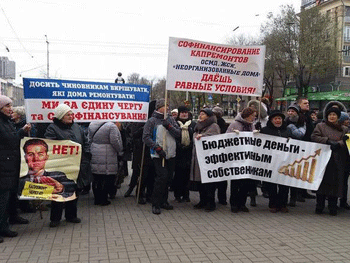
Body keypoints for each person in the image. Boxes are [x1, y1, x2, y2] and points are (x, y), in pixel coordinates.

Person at [44, 104, 88, 227]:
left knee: (74, 190)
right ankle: (55, 218)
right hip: (60, 166)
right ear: (60, 116)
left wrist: (87, 155)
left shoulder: (76, 127)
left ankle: (71, 215)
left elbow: (85, 141)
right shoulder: (52, 128)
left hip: (76, 165)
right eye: (68, 114)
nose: (71, 116)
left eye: (72, 114)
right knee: (58, 191)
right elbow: (50, 145)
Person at [0, 95, 31, 243]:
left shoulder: (7, 122)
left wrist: (22, 132)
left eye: (11, 106)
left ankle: (10, 219)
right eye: (7, 106)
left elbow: (12, 138)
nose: (10, 109)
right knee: (2, 199)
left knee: (10, 195)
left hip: (10, 165)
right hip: (3, 166)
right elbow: (9, 140)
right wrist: (20, 132)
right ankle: (2, 227)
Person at [142, 98, 181, 215]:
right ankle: (156, 203)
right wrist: (157, 148)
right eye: (165, 106)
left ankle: (164, 201)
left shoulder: (171, 120)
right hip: (158, 155)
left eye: (168, 106)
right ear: (159, 107)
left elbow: (178, 133)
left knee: (168, 178)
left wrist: (169, 126)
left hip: (171, 154)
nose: (167, 108)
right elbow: (146, 137)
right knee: (161, 177)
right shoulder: (152, 121)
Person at [311, 106, 350, 216]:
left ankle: (333, 206)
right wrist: (327, 141)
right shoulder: (320, 126)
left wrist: (339, 144)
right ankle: (320, 205)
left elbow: (346, 140)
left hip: (338, 159)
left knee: (336, 183)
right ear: (326, 116)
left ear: (338, 117)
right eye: (330, 115)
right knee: (321, 183)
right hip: (323, 158)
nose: (332, 117)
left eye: (334, 115)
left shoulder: (344, 129)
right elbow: (314, 136)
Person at [226, 107, 257, 213]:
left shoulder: (251, 125)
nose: (254, 117)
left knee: (246, 183)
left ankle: (242, 203)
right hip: (236, 158)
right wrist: (233, 135)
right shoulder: (235, 124)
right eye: (253, 115)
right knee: (236, 182)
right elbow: (226, 138)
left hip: (248, 159)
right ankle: (234, 204)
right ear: (247, 115)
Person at [190, 108, 220, 212]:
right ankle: (202, 200)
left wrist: (202, 136)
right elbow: (194, 135)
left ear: (208, 116)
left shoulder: (214, 126)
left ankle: (210, 203)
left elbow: (214, 138)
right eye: (200, 114)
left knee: (209, 183)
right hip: (198, 158)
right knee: (200, 182)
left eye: (203, 114)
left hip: (209, 159)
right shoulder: (198, 125)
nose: (200, 116)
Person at [260, 110, 290, 213]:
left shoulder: (287, 130)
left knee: (284, 185)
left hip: (284, 162)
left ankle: (283, 204)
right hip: (271, 162)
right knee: (271, 185)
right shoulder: (265, 130)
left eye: (279, 119)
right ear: (271, 120)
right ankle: (273, 204)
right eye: (275, 119)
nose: (278, 121)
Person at [88, 121, 123, 206]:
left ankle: (97, 199)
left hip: (95, 151)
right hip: (108, 154)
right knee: (107, 177)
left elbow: (89, 139)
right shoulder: (112, 126)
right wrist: (120, 150)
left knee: (97, 177)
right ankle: (103, 199)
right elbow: (115, 141)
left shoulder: (92, 124)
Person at [173, 106, 196, 203]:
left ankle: (186, 195)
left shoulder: (193, 124)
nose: (184, 114)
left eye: (186, 112)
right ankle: (177, 195)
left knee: (187, 175)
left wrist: (190, 145)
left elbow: (194, 136)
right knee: (178, 175)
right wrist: (179, 145)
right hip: (178, 153)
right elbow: (173, 136)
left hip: (189, 153)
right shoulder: (174, 123)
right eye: (182, 112)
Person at [285, 104, 306, 207]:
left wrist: (290, 127)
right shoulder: (284, 121)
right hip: (286, 153)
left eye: (293, 111)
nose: (290, 113)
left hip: (297, 153)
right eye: (289, 111)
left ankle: (293, 197)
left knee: (294, 175)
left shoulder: (301, 123)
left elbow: (300, 134)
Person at [212, 106, 228, 205]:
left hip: (218, 153)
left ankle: (219, 198)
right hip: (221, 154)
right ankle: (222, 199)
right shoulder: (223, 124)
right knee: (222, 178)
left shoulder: (220, 125)